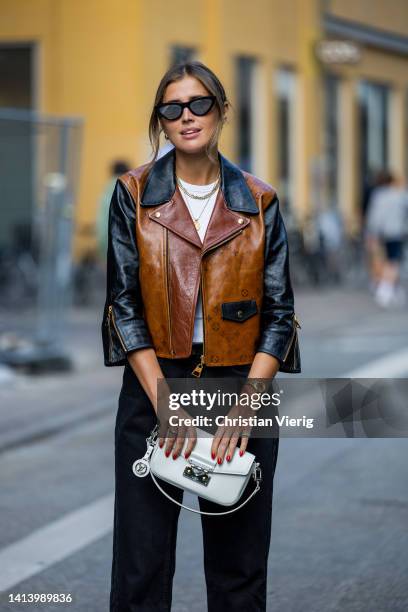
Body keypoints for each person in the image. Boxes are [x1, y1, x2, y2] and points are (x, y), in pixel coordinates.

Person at [101, 60, 301, 612]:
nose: (187, 117)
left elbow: (279, 314)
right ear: (161, 123)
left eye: (199, 104)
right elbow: (124, 306)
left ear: (222, 111)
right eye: (172, 109)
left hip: (240, 386)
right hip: (154, 387)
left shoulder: (260, 201)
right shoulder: (133, 194)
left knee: (239, 567)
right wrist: (165, 402)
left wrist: (245, 408)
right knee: (141, 566)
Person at [365, 172, 408, 307]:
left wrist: (371, 232)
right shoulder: (399, 196)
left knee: (382, 260)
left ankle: (386, 287)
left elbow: (374, 216)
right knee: (393, 261)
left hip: (380, 232)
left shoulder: (378, 196)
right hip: (395, 232)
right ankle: (385, 289)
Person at [96, 160, 130, 265]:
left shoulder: (107, 188)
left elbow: (101, 218)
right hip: (123, 241)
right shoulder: (127, 186)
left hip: (105, 238)